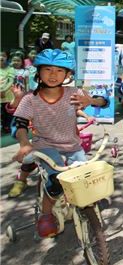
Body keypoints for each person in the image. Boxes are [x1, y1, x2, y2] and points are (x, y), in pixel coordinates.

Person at [10, 49, 108, 237]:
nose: (53, 75)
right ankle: (46, 215)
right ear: (38, 72)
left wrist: (92, 100)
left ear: (67, 74)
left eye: (59, 70)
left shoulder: (73, 93)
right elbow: (20, 123)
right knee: (56, 181)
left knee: (85, 178)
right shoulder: (30, 99)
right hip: (45, 146)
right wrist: (24, 143)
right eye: (48, 69)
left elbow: (104, 102)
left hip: (72, 145)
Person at [1, 50, 16, 134]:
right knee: (1, 114)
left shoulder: (10, 69)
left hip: (7, 95)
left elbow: (10, 81)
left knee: (7, 112)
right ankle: (3, 127)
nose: (1, 57)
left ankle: (8, 127)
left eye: (3, 55)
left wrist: (3, 90)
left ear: (7, 58)